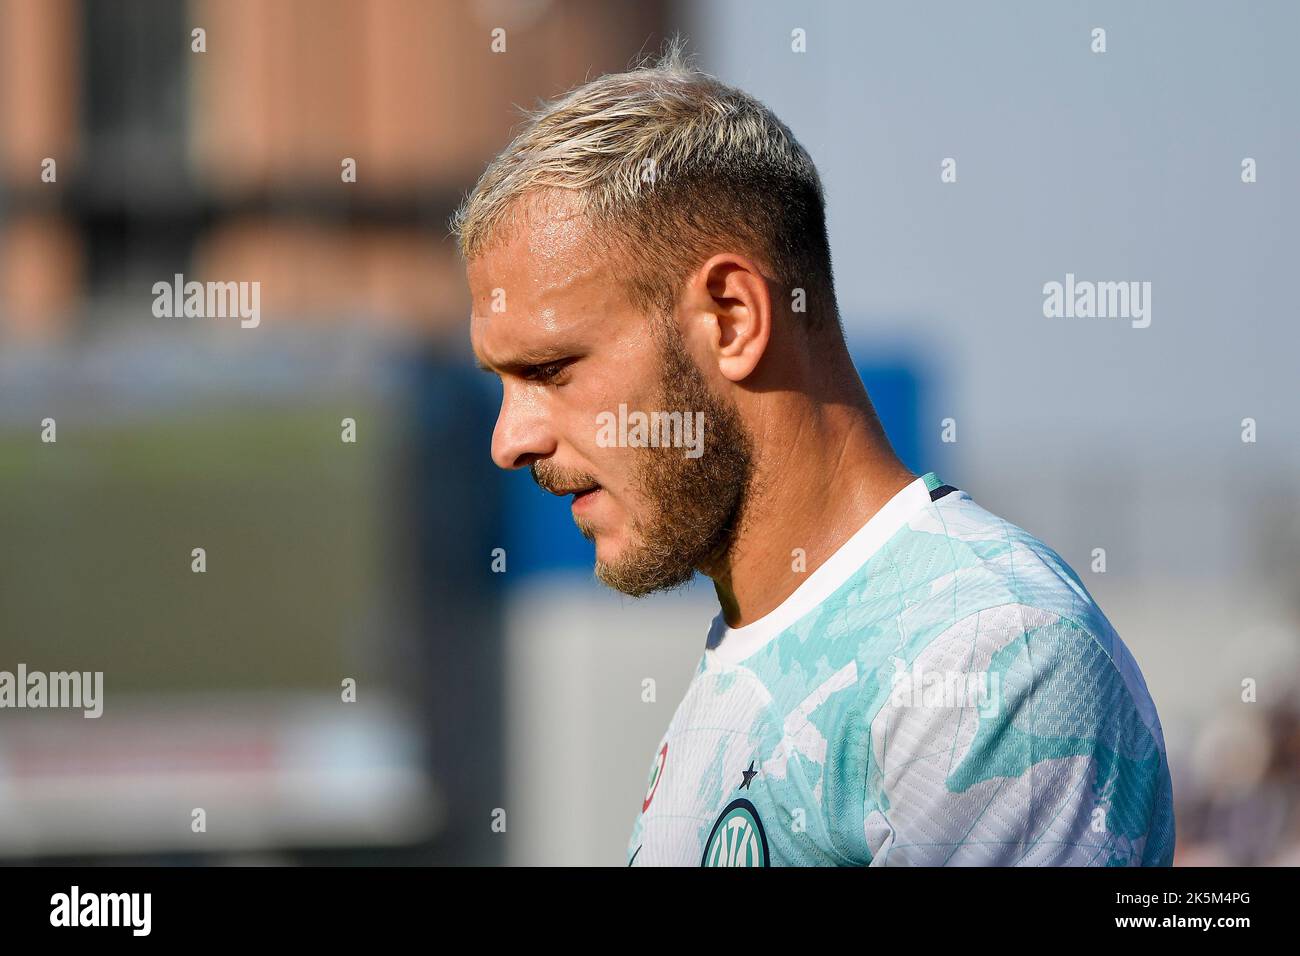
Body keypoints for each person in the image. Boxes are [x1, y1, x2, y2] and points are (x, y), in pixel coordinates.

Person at [454, 43, 1174, 866]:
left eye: (550, 370)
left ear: (731, 318)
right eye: (502, 382)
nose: (510, 439)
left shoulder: (988, 653)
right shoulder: (746, 653)